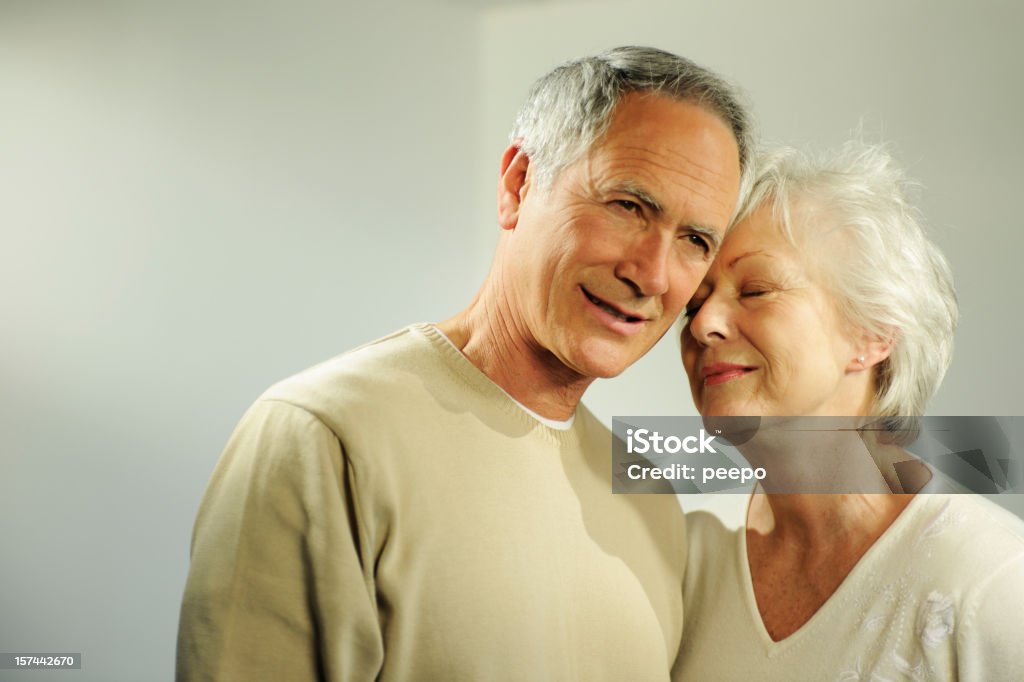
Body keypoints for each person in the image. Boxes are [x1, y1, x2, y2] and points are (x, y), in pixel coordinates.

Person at [177, 46, 752, 681]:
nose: (651, 274)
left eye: (695, 241)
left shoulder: (647, 497)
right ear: (518, 183)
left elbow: (866, 468)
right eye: (627, 206)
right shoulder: (324, 435)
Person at [673, 143, 1024, 680]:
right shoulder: (690, 558)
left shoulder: (991, 581)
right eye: (694, 303)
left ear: (871, 333)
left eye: (757, 290)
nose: (702, 325)